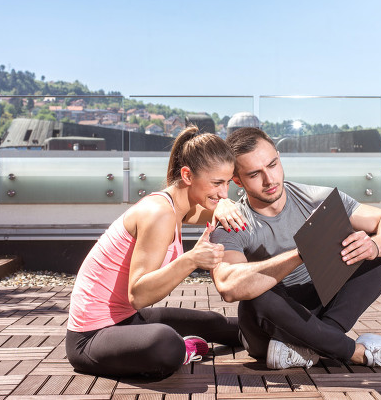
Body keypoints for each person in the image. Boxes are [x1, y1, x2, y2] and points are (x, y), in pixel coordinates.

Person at [210, 127, 381, 370]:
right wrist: (302, 253)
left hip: (315, 315)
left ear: (279, 158)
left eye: (272, 165)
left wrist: (373, 246)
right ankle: (360, 353)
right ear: (237, 180)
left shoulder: (314, 199)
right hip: (268, 330)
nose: (269, 180)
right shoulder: (232, 222)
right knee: (255, 296)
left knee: (379, 252)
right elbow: (229, 287)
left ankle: (314, 344)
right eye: (254, 174)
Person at [66, 126, 246, 378]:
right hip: (91, 337)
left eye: (227, 183)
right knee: (165, 342)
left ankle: (287, 340)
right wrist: (192, 259)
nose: (224, 191)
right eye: (217, 183)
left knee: (216, 323)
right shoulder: (158, 213)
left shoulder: (181, 206)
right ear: (187, 175)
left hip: (129, 320)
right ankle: (183, 347)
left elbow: (226, 212)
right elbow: (138, 295)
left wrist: (225, 204)